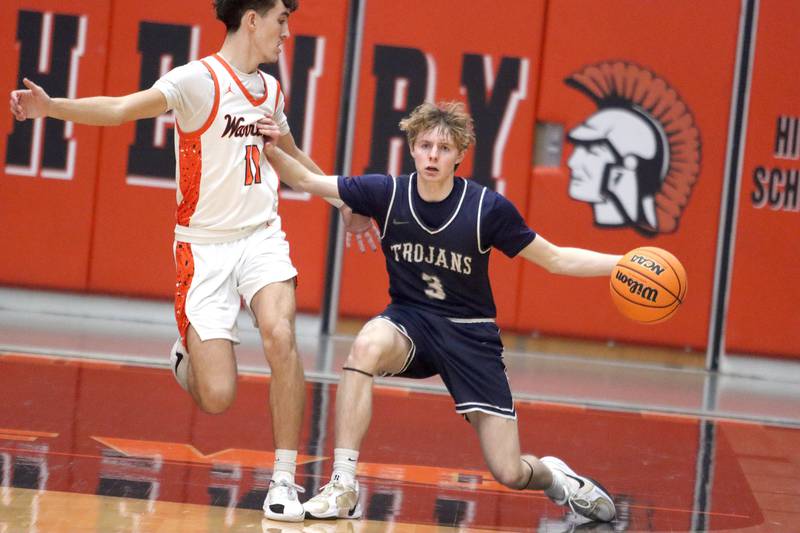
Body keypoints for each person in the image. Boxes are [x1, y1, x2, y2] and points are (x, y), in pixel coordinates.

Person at [9, 0, 375, 523]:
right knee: (218, 396)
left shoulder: (270, 90)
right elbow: (121, 108)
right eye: (281, 20)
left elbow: (290, 154)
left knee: (281, 334)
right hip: (203, 248)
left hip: (261, 236)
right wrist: (52, 108)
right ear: (252, 19)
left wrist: (346, 202)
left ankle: (284, 479)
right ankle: (187, 355)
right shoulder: (196, 80)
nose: (287, 32)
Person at [258, 101, 621, 523]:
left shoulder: (487, 208)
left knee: (509, 470)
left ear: (461, 155)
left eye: (444, 148)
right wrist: (269, 143)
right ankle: (343, 485)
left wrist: (622, 263)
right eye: (425, 145)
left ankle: (557, 479)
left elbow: (556, 259)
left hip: (470, 337)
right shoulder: (387, 192)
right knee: (366, 347)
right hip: (410, 322)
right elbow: (306, 178)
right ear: (411, 147)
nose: (433, 155)